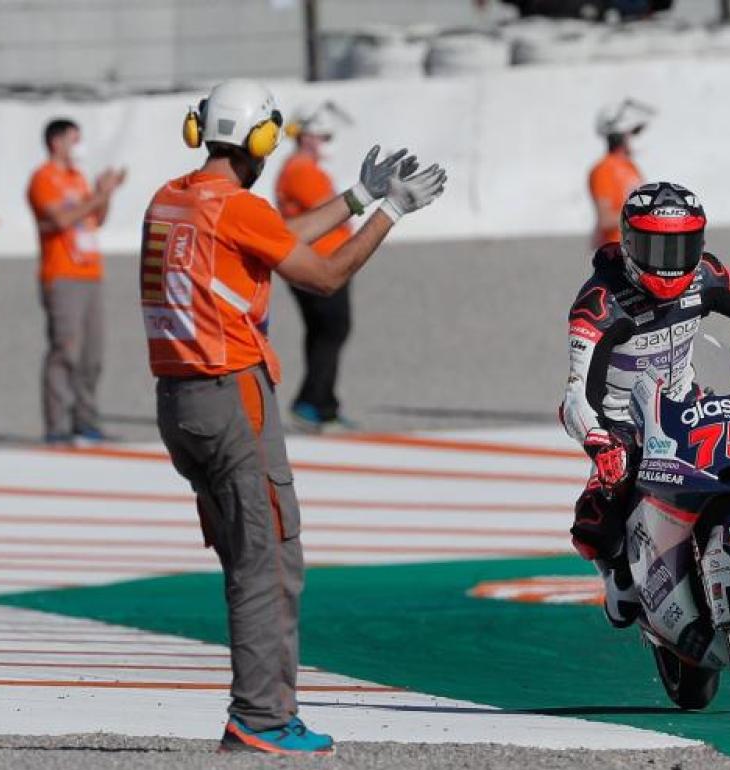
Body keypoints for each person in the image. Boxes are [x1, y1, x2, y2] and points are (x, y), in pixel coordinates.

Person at [142, 80, 445, 754]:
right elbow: (323, 274)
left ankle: (263, 710)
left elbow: (271, 238)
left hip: (178, 401)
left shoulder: (172, 197)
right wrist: (389, 213)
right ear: (260, 139)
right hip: (230, 394)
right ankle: (260, 716)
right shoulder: (236, 205)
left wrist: (357, 198)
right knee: (269, 560)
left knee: (247, 555)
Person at [560, 181, 730, 628]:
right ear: (627, 243)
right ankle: (619, 572)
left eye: (681, 247)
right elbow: (575, 394)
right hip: (623, 422)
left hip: (684, 404)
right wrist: (601, 442)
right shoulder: (598, 304)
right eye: (655, 247)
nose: (670, 263)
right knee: (599, 511)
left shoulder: (709, 274)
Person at [27, 118, 127, 445]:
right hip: (62, 274)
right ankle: (57, 425)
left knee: (92, 354)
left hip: (90, 272)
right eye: (74, 139)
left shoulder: (77, 178)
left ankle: (85, 420)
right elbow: (61, 218)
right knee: (65, 350)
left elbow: (95, 218)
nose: (79, 146)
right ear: (56, 142)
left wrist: (104, 193)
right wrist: (99, 195)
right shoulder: (44, 179)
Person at [276, 101, 358, 432]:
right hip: (317, 263)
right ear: (305, 137)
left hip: (319, 260)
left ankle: (321, 402)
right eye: (321, 136)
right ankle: (315, 402)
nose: (325, 143)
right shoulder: (301, 170)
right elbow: (332, 209)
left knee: (326, 331)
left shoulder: (303, 169)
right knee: (332, 329)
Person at [588, 98, 654, 249]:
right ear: (621, 135)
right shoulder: (604, 169)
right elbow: (605, 219)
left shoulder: (631, 167)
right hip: (616, 252)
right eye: (635, 132)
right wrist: (646, 214)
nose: (639, 137)